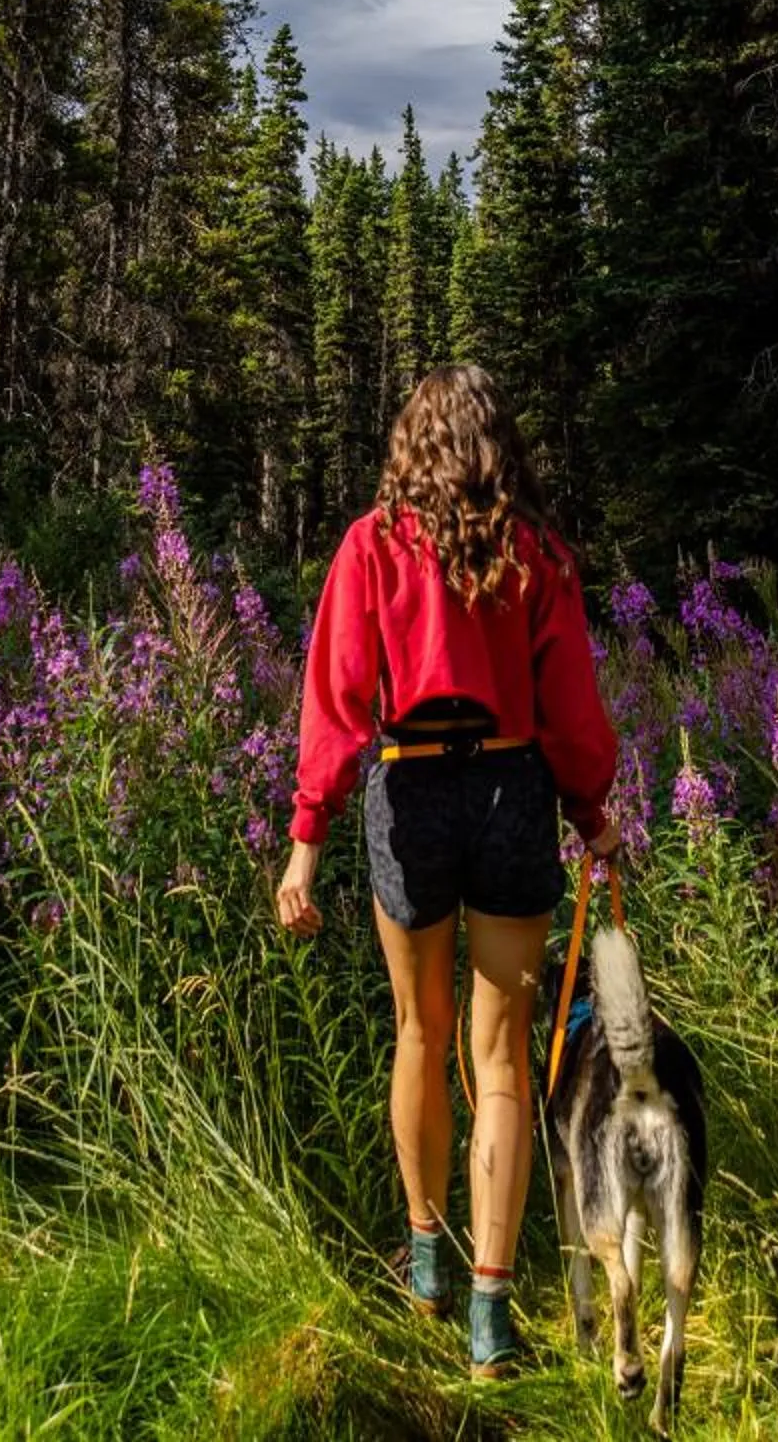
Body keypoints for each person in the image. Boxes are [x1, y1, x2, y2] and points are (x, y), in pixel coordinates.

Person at [276, 362, 620, 1377]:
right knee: (501, 1056)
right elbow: (571, 712)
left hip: (411, 788)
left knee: (419, 1035)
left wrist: (305, 839)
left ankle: (427, 1261)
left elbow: (336, 698)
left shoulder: (372, 544)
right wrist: (592, 815)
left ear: (410, 446)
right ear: (499, 446)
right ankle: (489, 1315)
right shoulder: (537, 554)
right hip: (512, 788)